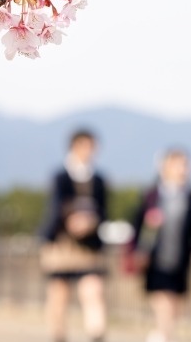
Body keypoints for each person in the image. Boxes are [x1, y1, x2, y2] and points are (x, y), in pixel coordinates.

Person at [129, 148, 191, 342]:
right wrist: (136, 250)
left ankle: (162, 333)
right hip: (155, 258)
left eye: (186, 165)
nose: (183, 169)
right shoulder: (150, 196)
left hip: (181, 258)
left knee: (176, 302)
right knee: (162, 297)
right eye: (178, 164)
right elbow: (136, 225)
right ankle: (164, 334)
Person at [39, 129, 108, 342]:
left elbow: (103, 211)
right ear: (75, 146)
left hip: (89, 245)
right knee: (59, 296)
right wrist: (72, 219)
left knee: (93, 291)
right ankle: (58, 336)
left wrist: (90, 222)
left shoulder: (98, 179)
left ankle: (96, 334)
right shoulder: (60, 176)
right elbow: (56, 206)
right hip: (61, 244)